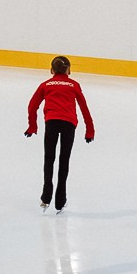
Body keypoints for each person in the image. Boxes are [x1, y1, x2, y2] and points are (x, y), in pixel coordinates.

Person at [23, 55, 95, 212]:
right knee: (64, 160)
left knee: (49, 159)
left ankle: (46, 196)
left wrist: (32, 126)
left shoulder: (46, 84)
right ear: (69, 70)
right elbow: (84, 108)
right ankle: (60, 199)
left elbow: (32, 106)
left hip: (52, 123)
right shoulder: (74, 85)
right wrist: (90, 130)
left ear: (51, 70)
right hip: (69, 124)